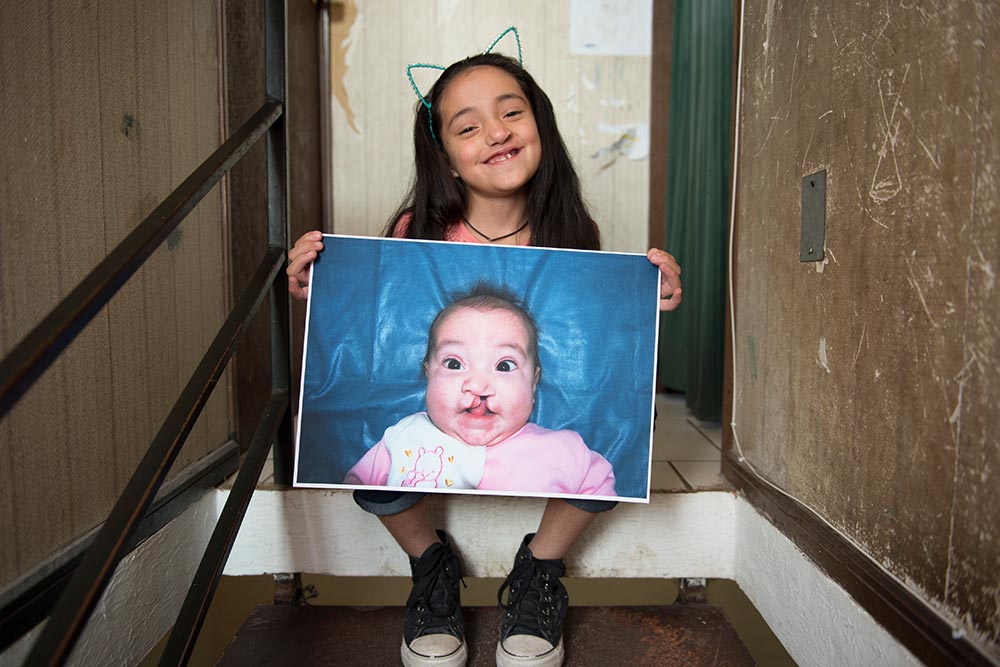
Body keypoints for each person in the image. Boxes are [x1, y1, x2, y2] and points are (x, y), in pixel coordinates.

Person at [287, 28, 681, 667]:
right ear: (445, 157)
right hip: (436, 427)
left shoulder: (575, 235)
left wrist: (646, 299)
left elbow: (604, 344)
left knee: (624, 433)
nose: (495, 132)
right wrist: (323, 289)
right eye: (467, 128)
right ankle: (431, 565)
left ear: (540, 127)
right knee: (363, 453)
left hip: (530, 418)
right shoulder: (415, 234)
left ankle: (540, 570)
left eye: (511, 112)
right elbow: (374, 328)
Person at [344, 283, 617, 497]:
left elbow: (599, 498)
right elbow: (350, 496)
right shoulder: (402, 438)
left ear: (534, 383)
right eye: (454, 363)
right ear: (428, 373)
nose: (478, 386)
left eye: (505, 366)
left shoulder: (565, 451)